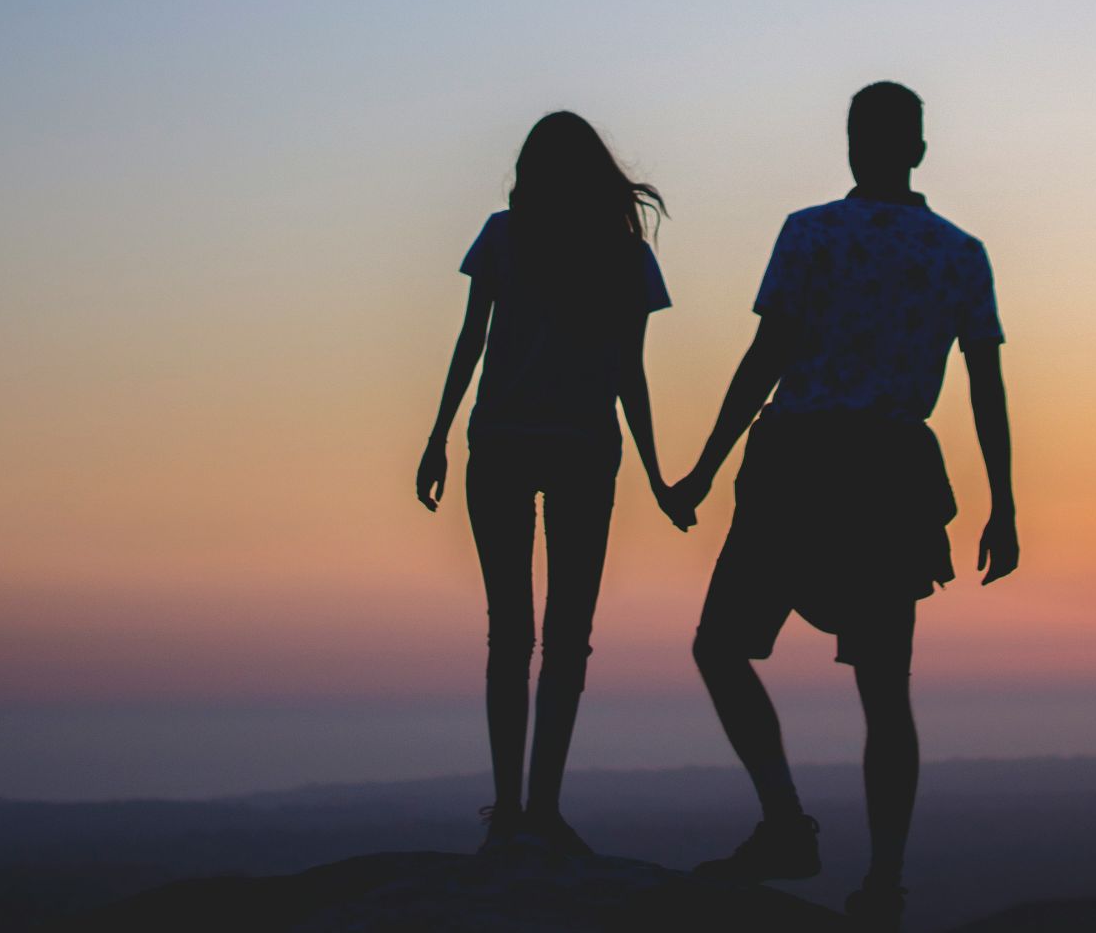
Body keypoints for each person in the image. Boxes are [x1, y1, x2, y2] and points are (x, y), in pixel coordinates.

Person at [664, 82, 1019, 931]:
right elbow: (985, 386)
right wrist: (1003, 505)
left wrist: (706, 469)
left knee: (721, 646)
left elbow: (767, 357)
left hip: (797, 461)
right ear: (920, 150)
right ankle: (883, 885)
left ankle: (787, 825)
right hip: (890, 474)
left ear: (856, 146)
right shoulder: (958, 252)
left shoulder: (811, 232)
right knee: (885, 691)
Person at [416, 111, 685, 857]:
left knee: (512, 634)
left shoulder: (505, 235)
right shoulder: (625, 256)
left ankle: (511, 810)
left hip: (500, 443)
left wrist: (439, 437)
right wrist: (658, 475)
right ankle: (540, 809)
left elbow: (472, 341)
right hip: (582, 451)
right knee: (567, 639)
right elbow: (630, 376)